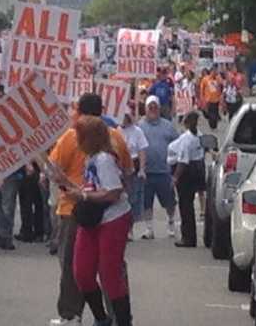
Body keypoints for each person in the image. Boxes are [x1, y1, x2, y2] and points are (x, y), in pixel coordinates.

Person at [47, 92, 131, 326]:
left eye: (80, 135)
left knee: (109, 271)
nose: (77, 138)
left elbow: (113, 191)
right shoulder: (97, 150)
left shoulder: (102, 156)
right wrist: (67, 183)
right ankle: (101, 317)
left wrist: (82, 194)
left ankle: (117, 318)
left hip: (108, 217)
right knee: (81, 270)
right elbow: (125, 173)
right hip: (85, 214)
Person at [137, 96, 178, 240]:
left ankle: (171, 223)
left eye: (155, 106)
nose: (153, 109)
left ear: (159, 108)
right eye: (150, 107)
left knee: (169, 202)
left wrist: (174, 170)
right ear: (146, 109)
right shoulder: (139, 126)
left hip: (164, 171)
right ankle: (149, 229)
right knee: (146, 202)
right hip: (146, 172)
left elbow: (177, 145)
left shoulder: (168, 126)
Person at [170, 111, 206, 248]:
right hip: (198, 168)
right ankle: (191, 236)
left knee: (185, 206)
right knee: (188, 204)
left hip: (187, 173)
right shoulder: (199, 135)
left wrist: (175, 177)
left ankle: (188, 238)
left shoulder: (187, 139)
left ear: (186, 123)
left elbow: (183, 161)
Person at [119, 111, 148, 241]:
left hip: (133, 167)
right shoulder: (116, 131)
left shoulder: (137, 131)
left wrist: (142, 169)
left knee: (132, 199)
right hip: (119, 169)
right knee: (120, 199)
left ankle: (129, 229)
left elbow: (142, 150)